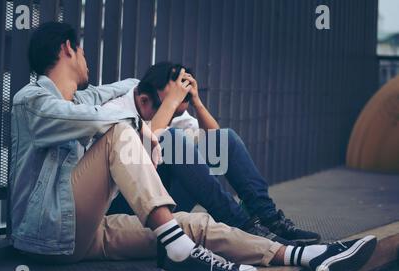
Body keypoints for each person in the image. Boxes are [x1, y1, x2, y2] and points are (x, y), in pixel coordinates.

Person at [9, 22, 377, 271]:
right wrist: (151, 122)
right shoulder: (32, 100)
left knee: (193, 223)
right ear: (68, 48)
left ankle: (301, 254)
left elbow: (212, 147)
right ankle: (183, 246)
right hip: (47, 231)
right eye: (83, 50)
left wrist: (186, 99)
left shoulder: (90, 98)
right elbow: (105, 115)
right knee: (127, 132)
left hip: (86, 234)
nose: (87, 59)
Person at [105, 62, 321, 245]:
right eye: (167, 106)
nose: (170, 114)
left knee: (226, 138)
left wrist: (196, 102)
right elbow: (143, 156)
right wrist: (170, 104)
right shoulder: (116, 111)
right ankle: (242, 226)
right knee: (170, 138)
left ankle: (268, 219)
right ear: (144, 99)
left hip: (162, 201)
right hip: (127, 207)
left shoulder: (169, 106)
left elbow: (218, 147)